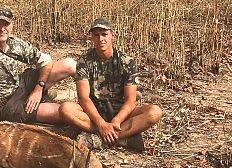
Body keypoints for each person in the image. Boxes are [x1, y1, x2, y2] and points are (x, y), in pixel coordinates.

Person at [59, 17, 162, 151]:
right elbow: (84, 98)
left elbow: (130, 100)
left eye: (104, 34)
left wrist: (116, 121)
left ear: (112, 35)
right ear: (92, 38)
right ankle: (122, 137)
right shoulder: (84, 61)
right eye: (96, 35)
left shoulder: (127, 61)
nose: (101, 39)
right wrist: (101, 124)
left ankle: (99, 139)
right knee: (65, 109)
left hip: (120, 112)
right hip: (95, 111)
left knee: (155, 112)